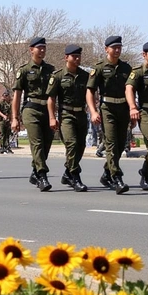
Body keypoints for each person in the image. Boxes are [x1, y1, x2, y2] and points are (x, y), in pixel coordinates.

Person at [86, 35, 132, 195]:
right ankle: (116, 177)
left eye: (119, 47)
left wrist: (133, 109)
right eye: (114, 47)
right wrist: (93, 111)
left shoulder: (127, 68)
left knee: (120, 145)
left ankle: (106, 173)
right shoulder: (98, 68)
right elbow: (90, 92)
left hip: (123, 108)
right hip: (107, 108)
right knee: (111, 143)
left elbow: (131, 90)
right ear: (106, 49)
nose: (117, 50)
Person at [12, 37, 55, 192]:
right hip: (31, 109)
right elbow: (16, 96)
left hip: (47, 109)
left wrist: (54, 115)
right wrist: (14, 118)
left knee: (46, 144)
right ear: (31, 50)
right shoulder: (23, 70)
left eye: (44, 48)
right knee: (36, 143)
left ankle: (35, 172)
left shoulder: (51, 70)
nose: (42, 50)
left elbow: (54, 94)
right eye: (39, 48)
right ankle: (42, 175)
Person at [46, 44, 90, 192]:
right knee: (71, 143)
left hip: (81, 114)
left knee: (81, 146)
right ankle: (74, 176)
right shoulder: (58, 76)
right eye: (74, 56)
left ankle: (67, 172)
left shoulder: (85, 76)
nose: (77, 59)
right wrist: (52, 117)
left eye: (79, 56)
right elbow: (51, 99)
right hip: (66, 115)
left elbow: (90, 95)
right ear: (66, 58)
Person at [125, 40, 148, 191]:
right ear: (144, 54)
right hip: (147, 113)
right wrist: (132, 108)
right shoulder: (138, 71)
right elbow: (129, 89)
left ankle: (145, 172)